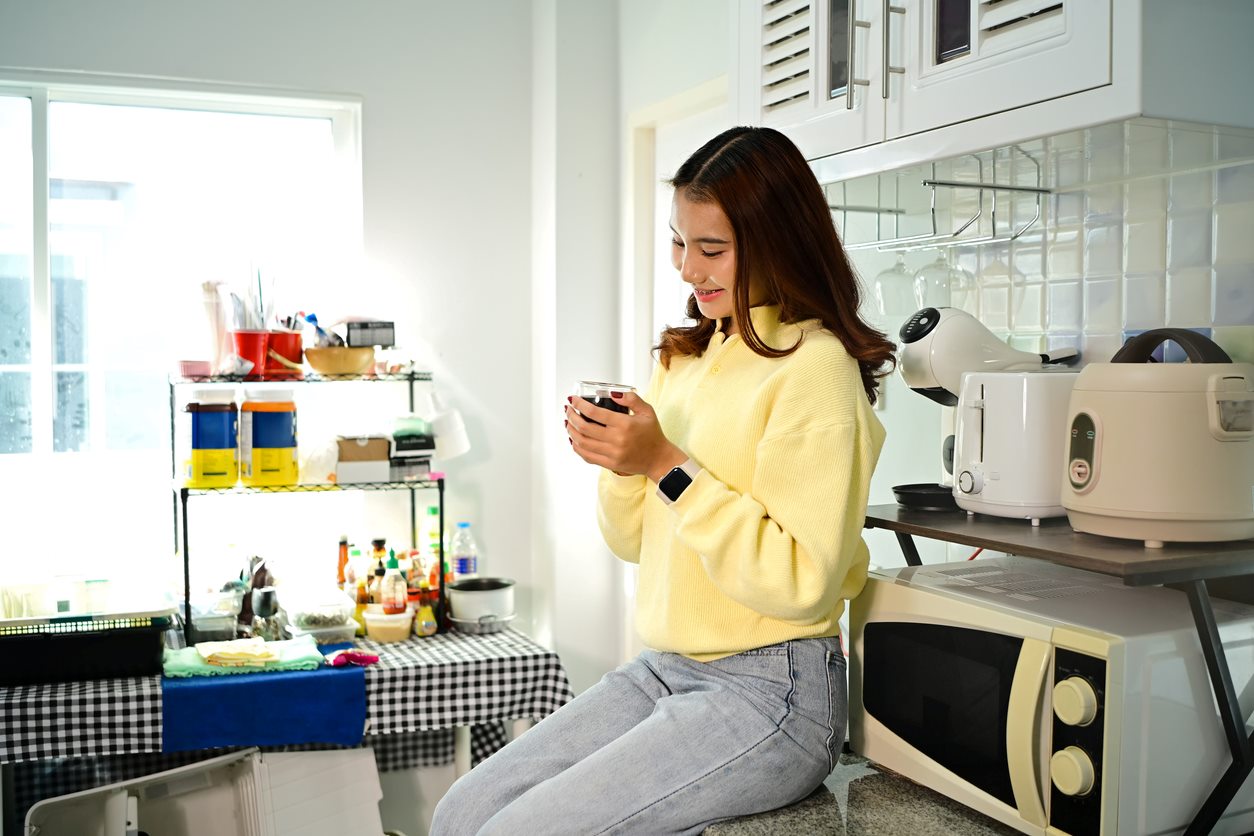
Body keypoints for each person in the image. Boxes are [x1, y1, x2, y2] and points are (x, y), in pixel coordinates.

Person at [430, 125, 896, 835]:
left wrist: (664, 464)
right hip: (665, 668)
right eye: (680, 242)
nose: (688, 268)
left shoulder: (815, 370)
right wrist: (625, 465)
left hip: (774, 693)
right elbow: (632, 542)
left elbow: (799, 580)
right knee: (461, 811)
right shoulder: (689, 355)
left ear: (778, 243)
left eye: (713, 250)